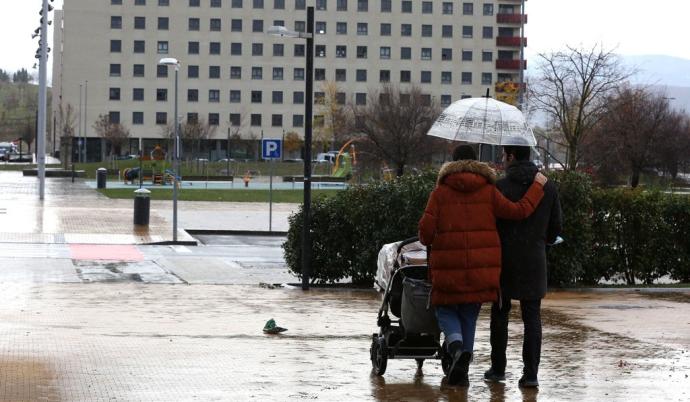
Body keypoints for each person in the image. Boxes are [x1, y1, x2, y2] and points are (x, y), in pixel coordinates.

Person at [418, 145, 548, 386]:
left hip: (447, 268)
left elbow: (425, 235)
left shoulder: (440, 193)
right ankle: (462, 369)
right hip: (481, 270)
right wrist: (537, 186)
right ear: (476, 162)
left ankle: (456, 348)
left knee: (445, 309)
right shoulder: (489, 191)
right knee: (469, 313)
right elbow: (520, 211)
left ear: (452, 163)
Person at [484, 145, 563, 388]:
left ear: (511, 156)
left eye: (503, 156)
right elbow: (555, 228)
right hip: (534, 261)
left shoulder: (500, 187)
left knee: (499, 313)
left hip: (503, 261)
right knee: (532, 318)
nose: (502, 160)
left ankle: (498, 369)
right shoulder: (547, 187)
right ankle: (530, 375)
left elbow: (490, 225)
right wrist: (541, 243)